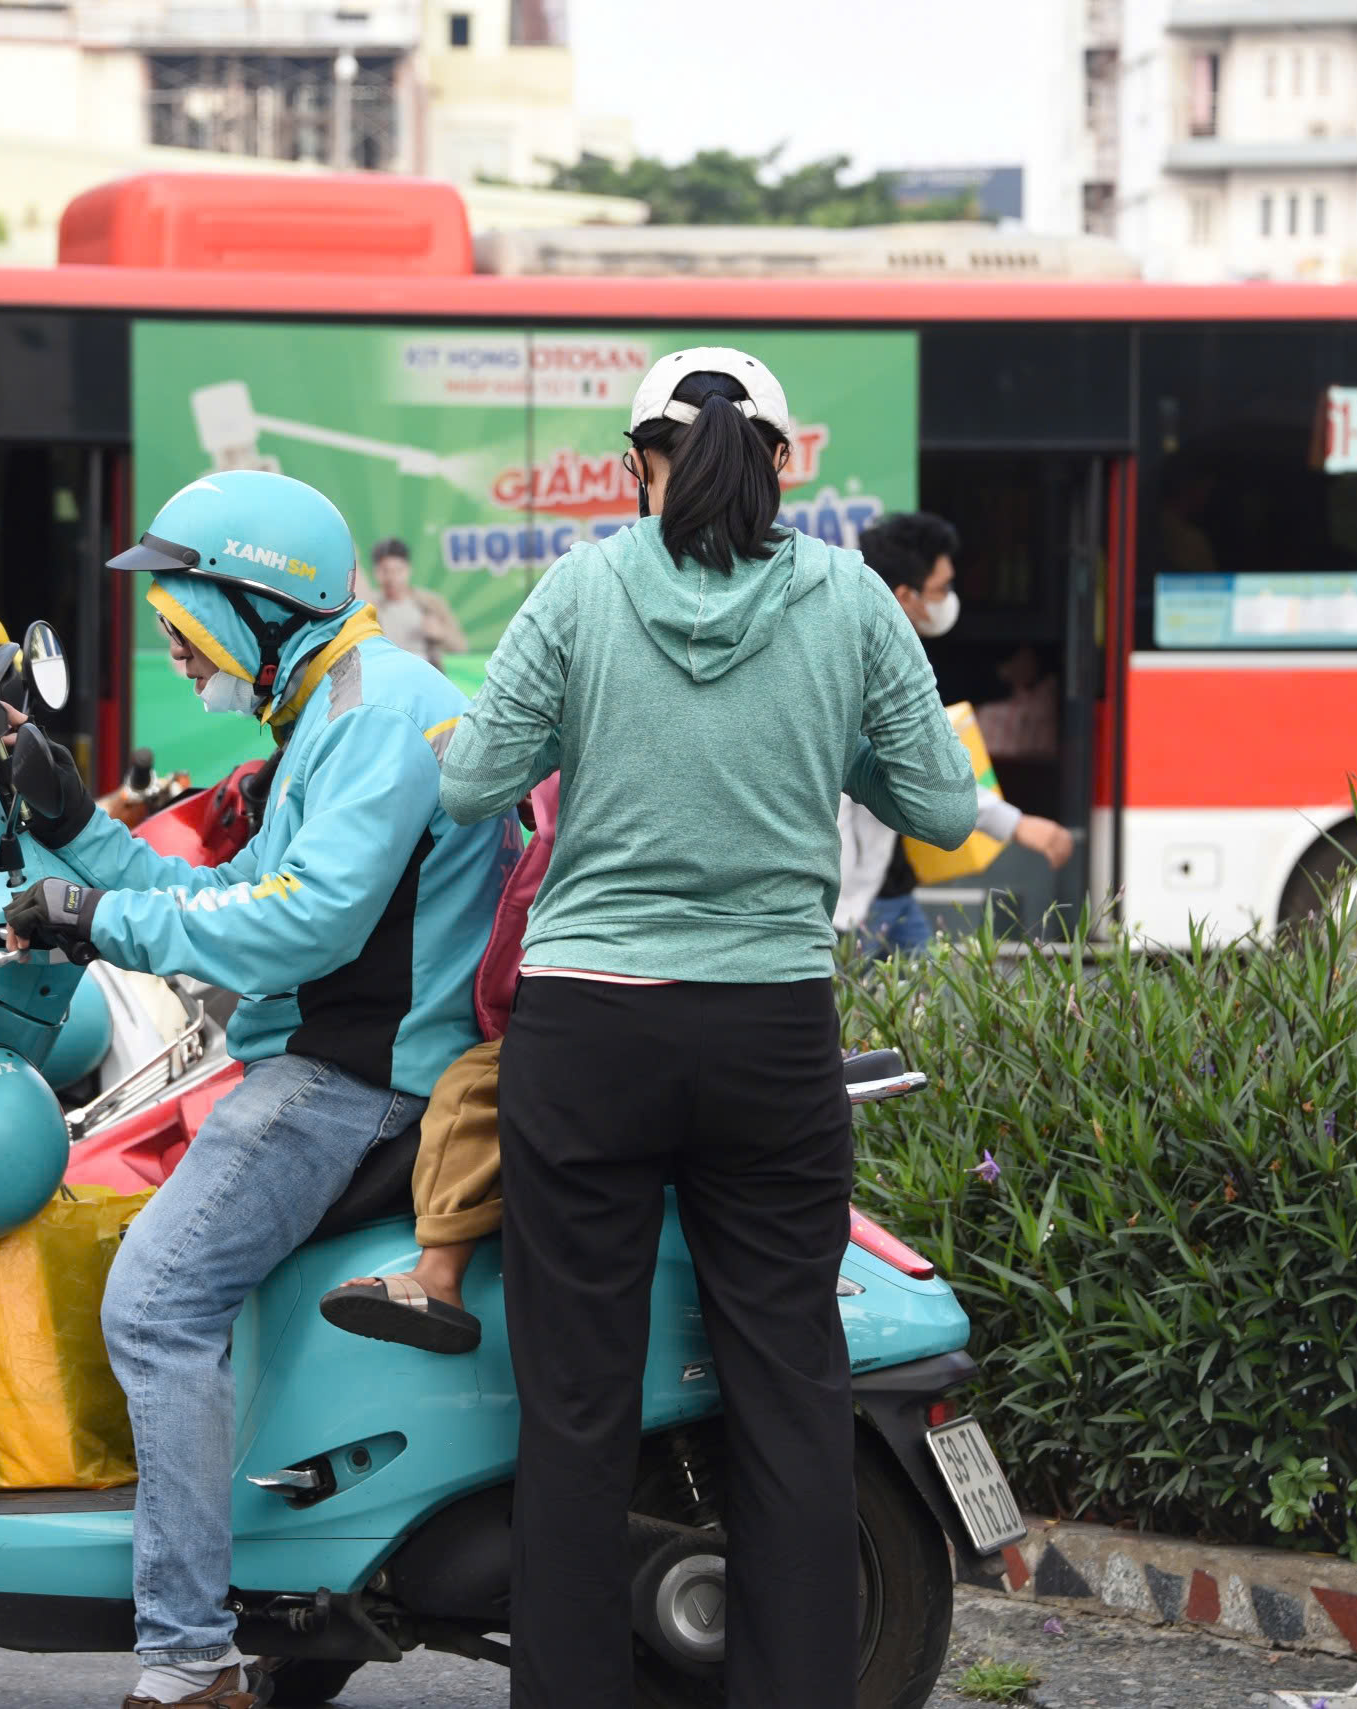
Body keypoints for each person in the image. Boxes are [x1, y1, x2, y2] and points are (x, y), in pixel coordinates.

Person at [434, 347, 978, 1709]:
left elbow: (470, 781)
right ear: (784, 464)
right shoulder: (851, 599)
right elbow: (944, 805)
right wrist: (813, 739)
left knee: (574, 1409)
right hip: (768, 1036)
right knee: (789, 1393)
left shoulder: (578, 589)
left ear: (639, 465)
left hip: (587, 1041)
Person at [0, 469, 512, 1709]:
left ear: (256, 602)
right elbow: (226, 894)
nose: (177, 654)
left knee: (155, 1304)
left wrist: (96, 917)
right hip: (322, 1057)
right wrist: (74, 827)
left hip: (352, 1079)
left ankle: (186, 1656)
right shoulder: (338, 706)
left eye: (185, 625)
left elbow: (306, 923)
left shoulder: (381, 713)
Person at [841, 512, 1076, 959]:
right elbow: (921, 768)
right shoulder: (867, 667)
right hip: (851, 907)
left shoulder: (884, 654)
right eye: (942, 589)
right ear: (904, 596)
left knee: (917, 1012)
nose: (949, 600)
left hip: (884, 891)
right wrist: (1017, 824)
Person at [355, 536, 469, 666]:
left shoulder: (430, 603)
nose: (392, 578)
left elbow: (461, 647)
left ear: (408, 570)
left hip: (425, 673)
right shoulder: (369, 605)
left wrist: (441, 634)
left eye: (398, 570)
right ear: (375, 572)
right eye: (385, 570)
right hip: (386, 672)